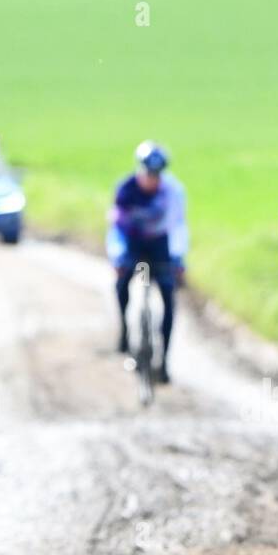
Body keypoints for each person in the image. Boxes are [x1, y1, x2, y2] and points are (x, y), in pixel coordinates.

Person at [106, 140, 188, 382]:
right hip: (133, 243)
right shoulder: (126, 189)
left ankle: (164, 361)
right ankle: (124, 331)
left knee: (168, 294)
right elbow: (116, 228)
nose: (152, 179)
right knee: (121, 283)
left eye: (157, 175)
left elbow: (178, 226)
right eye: (148, 173)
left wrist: (178, 258)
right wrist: (118, 255)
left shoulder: (172, 192)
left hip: (160, 245)